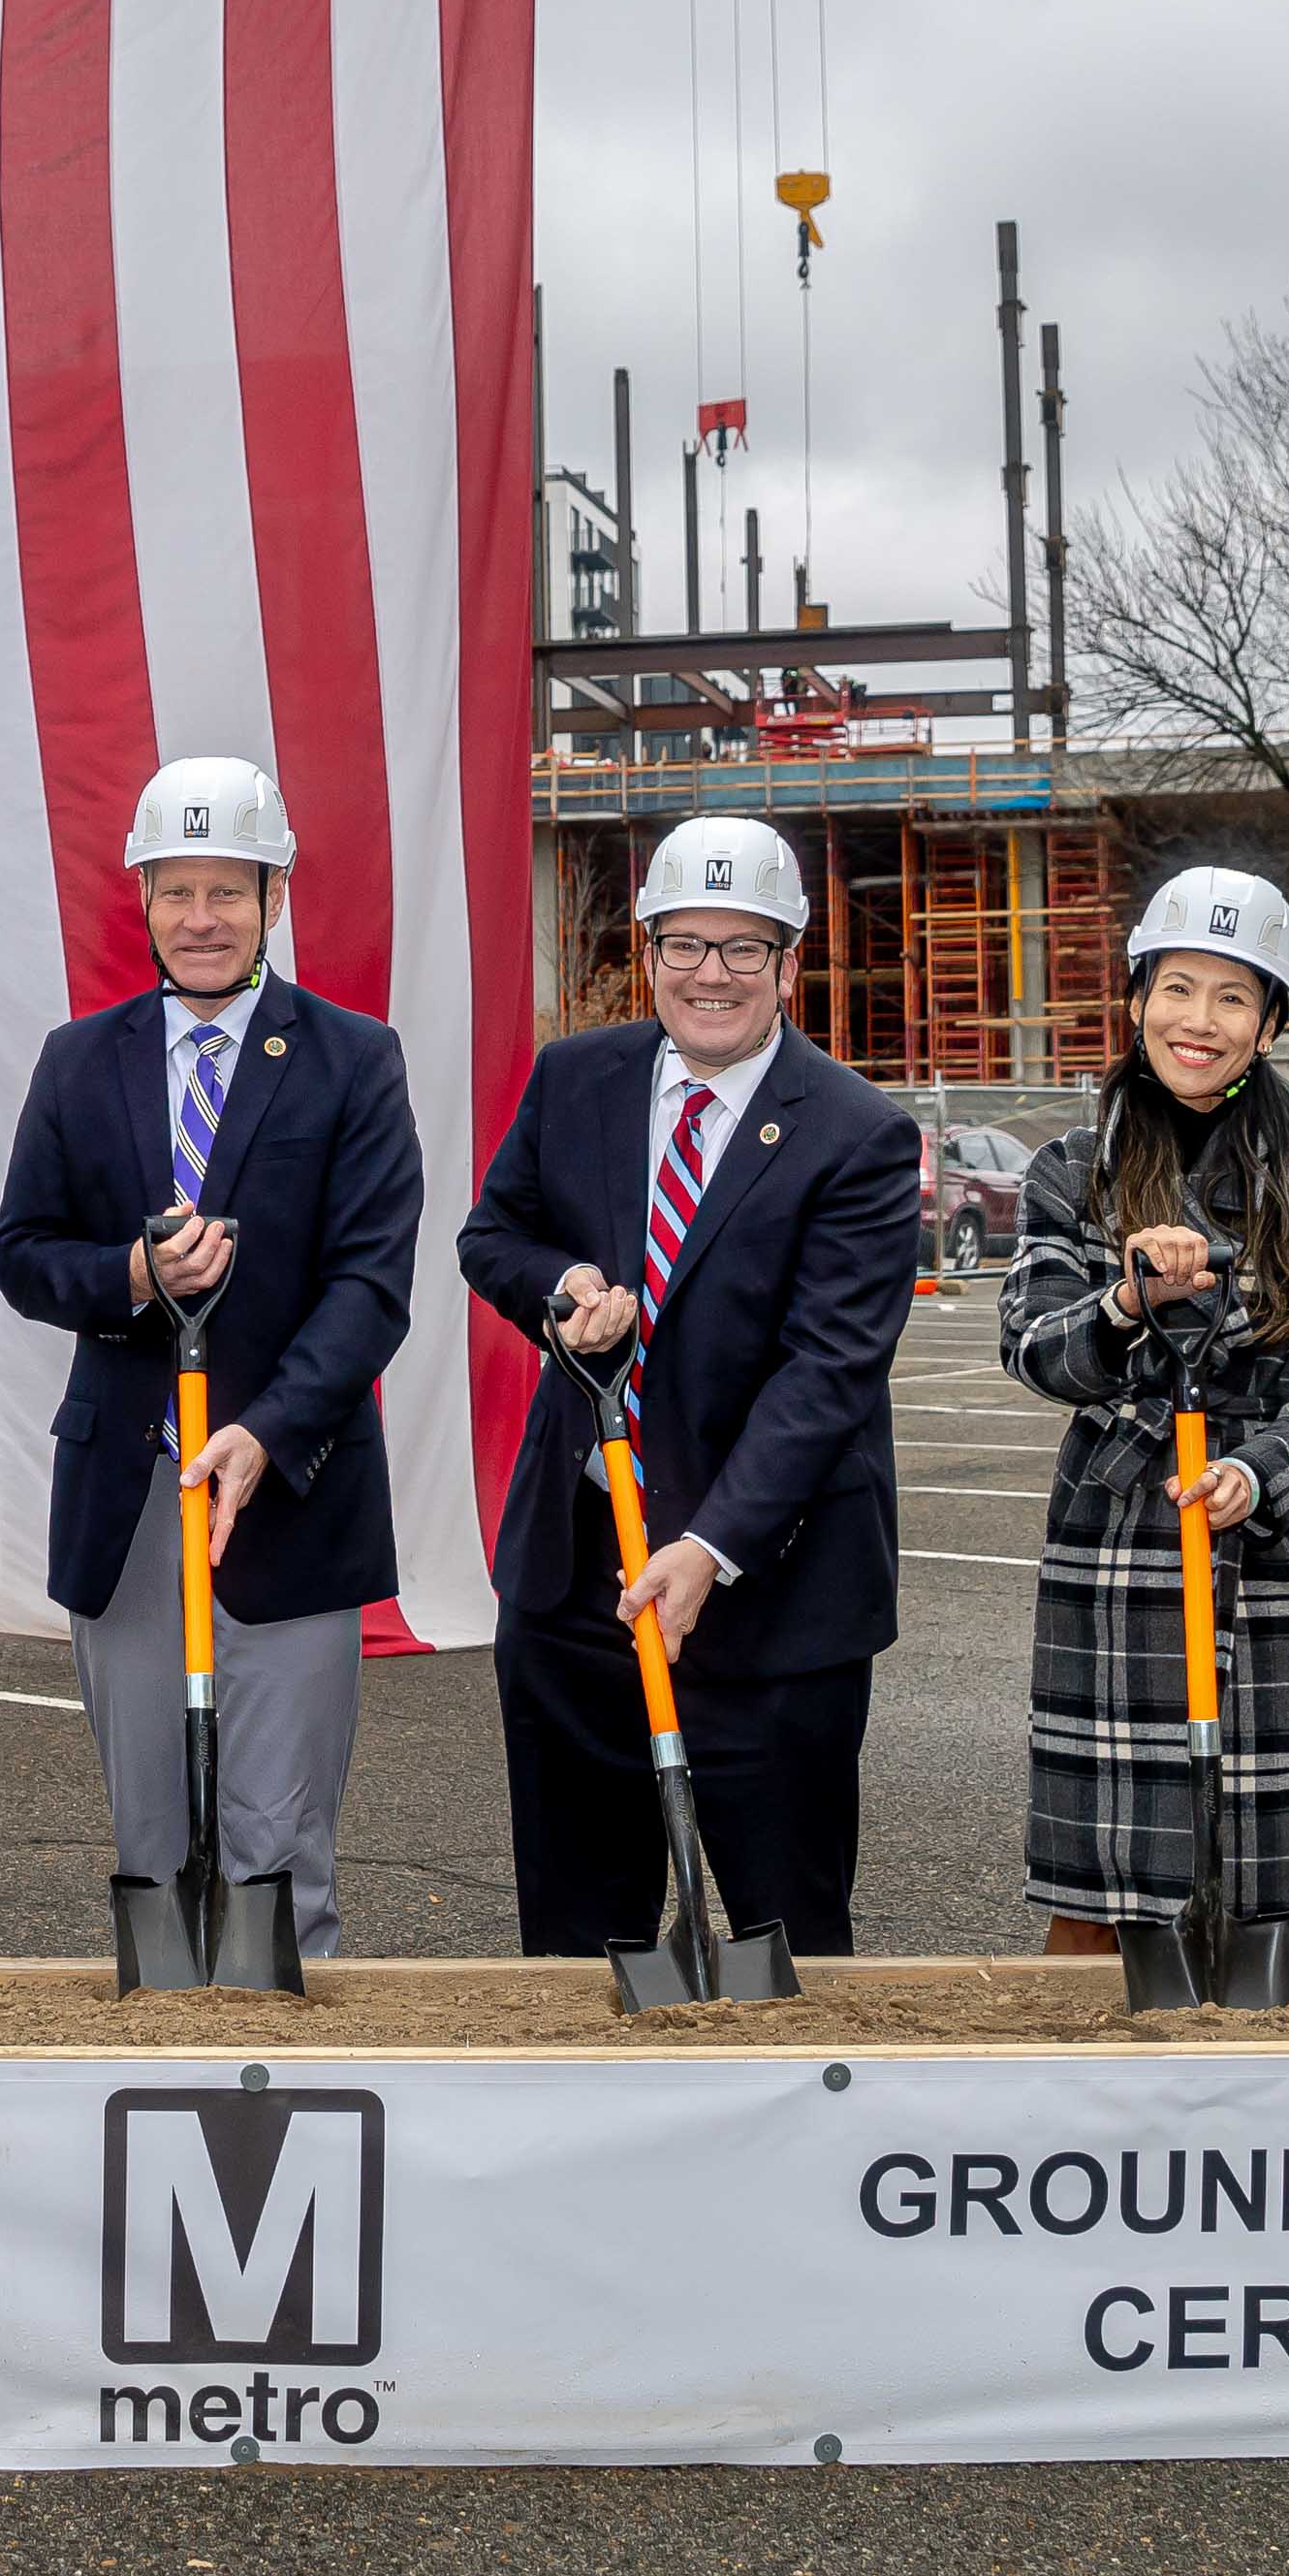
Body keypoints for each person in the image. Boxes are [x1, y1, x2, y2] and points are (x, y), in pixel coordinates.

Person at [0, 756, 424, 1957]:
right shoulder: (81, 1058)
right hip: (127, 1501)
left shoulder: (352, 1057)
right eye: (176, 889)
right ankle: (163, 2048)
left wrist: (268, 1430)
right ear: (142, 895)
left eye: (228, 889)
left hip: (290, 1494)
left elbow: (371, 1287)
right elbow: (21, 1254)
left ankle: (284, 2056)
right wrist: (132, 1277)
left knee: (278, 1858)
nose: (202, 917)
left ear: (275, 894)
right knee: (152, 1850)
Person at [455, 814, 909, 1958]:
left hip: (769, 1599)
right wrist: (561, 1285)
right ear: (649, 950)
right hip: (577, 1589)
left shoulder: (858, 1133)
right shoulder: (576, 1079)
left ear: (790, 963)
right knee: (577, 1946)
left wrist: (708, 1548)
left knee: (786, 1944)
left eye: (744, 946)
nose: (713, 974)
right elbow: (494, 1234)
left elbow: (828, 1371)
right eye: (686, 943)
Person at [996, 865, 1289, 1956]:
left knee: (1264, 1901)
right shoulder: (1072, 1171)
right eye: (1177, 987)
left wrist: (1259, 1472)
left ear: (1270, 1025)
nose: (1199, 1020)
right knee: (1101, 1894)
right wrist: (1126, 1301)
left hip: (1261, 1559)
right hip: (1116, 1557)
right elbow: (1033, 1346)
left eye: (1232, 996)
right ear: (1136, 1000)